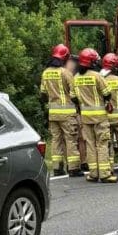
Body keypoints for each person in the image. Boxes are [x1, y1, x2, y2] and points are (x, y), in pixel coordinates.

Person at [71, 48, 116, 183]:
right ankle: (105, 174)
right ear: (91, 62)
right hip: (100, 117)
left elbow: (73, 97)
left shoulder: (76, 77)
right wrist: (106, 101)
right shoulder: (97, 76)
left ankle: (93, 174)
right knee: (102, 144)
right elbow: (107, 93)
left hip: (85, 116)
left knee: (90, 145)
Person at [40, 44, 81, 177]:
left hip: (53, 114)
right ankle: (73, 168)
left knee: (56, 140)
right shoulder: (66, 73)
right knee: (70, 140)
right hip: (67, 113)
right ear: (64, 58)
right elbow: (74, 94)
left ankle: (57, 167)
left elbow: (43, 93)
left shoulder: (45, 73)